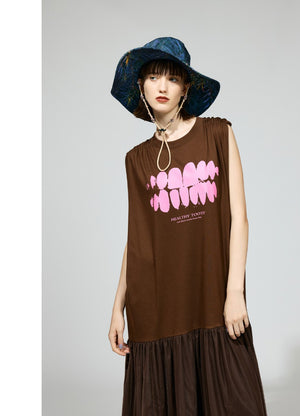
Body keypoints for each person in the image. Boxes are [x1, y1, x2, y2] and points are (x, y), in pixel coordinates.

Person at [108, 36, 268, 415]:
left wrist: (234, 292)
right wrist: (117, 308)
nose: (162, 86)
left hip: (211, 293)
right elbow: (137, 239)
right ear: (141, 87)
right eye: (153, 77)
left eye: (173, 78)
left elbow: (239, 218)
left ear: (185, 88)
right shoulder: (136, 160)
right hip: (157, 303)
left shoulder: (217, 133)